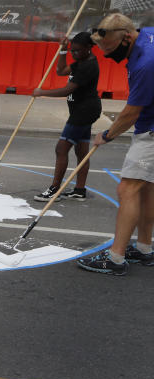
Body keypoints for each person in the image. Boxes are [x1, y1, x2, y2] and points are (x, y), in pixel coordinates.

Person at [76, 14, 154, 276]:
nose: (108, 57)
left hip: (152, 133)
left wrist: (107, 135)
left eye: (110, 51)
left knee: (128, 189)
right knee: (147, 189)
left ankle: (116, 258)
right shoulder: (147, 35)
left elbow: (131, 113)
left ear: (127, 37)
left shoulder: (145, 63)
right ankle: (144, 249)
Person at [31, 31, 102, 202]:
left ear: (88, 48)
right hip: (84, 110)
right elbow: (61, 70)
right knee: (81, 150)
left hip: (83, 112)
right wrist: (62, 51)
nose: (74, 54)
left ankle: (54, 189)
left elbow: (68, 89)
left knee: (61, 148)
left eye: (77, 51)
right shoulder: (81, 61)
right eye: (72, 51)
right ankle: (79, 190)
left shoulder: (88, 66)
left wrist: (42, 92)